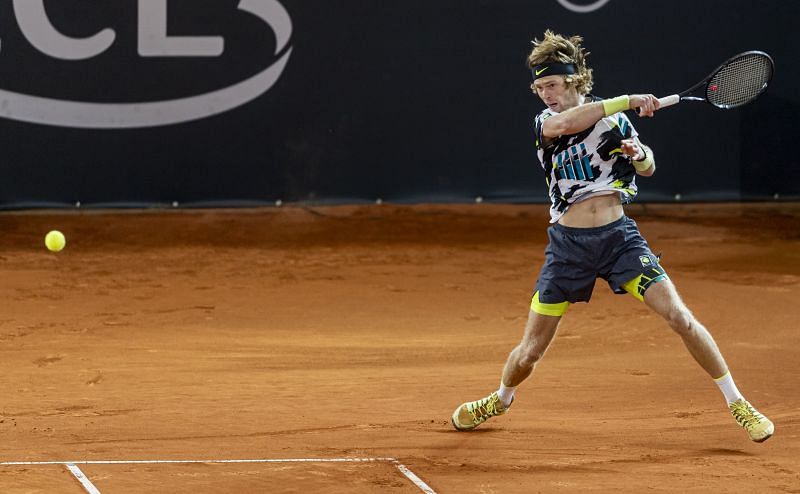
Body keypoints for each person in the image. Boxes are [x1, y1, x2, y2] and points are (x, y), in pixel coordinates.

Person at [450, 30, 774, 443]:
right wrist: (630, 98)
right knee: (530, 351)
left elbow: (649, 167)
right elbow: (567, 123)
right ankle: (500, 398)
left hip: (620, 241)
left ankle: (737, 403)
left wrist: (639, 155)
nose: (544, 94)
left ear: (573, 81)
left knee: (681, 317)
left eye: (551, 84)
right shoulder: (547, 123)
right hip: (569, 249)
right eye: (539, 87)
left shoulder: (615, 123)